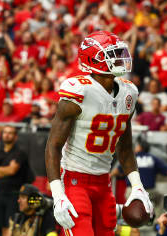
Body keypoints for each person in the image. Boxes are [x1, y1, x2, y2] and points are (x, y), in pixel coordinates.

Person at [45, 31, 153, 235]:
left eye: (119, 52)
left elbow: (125, 146)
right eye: (112, 54)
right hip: (75, 180)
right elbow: (53, 145)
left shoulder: (128, 92)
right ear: (94, 59)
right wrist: (58, 194)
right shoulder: (79, 91)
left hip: (104, 182)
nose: (120, 58)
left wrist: (138, 186)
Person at [0, 125, 35, 236]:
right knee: (1, 226)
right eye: (5, 132)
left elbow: (12, 170)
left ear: (15, 137)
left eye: (10, 133)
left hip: (15, 195)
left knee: (12, 225)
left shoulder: (20, 153)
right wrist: (5, 169)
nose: (7, 135)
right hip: (0, 193)